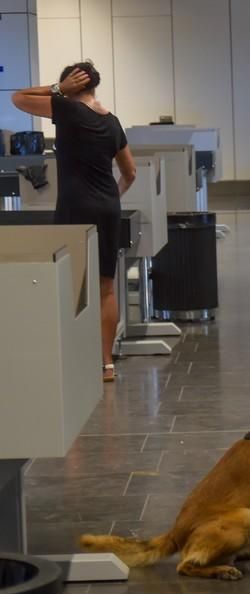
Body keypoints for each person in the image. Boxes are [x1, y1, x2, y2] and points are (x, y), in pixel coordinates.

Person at [12, 61, 136, 382]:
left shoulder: (65, 110)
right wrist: (112, 199)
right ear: (94, 87)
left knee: (71, 284)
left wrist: (57, 90)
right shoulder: (112, 122)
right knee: (106, 285)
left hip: (74, 207)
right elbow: (129, 172)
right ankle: (106, 363)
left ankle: (73, 359)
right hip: (107, 206)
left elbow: (18, 98)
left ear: (71, 84)